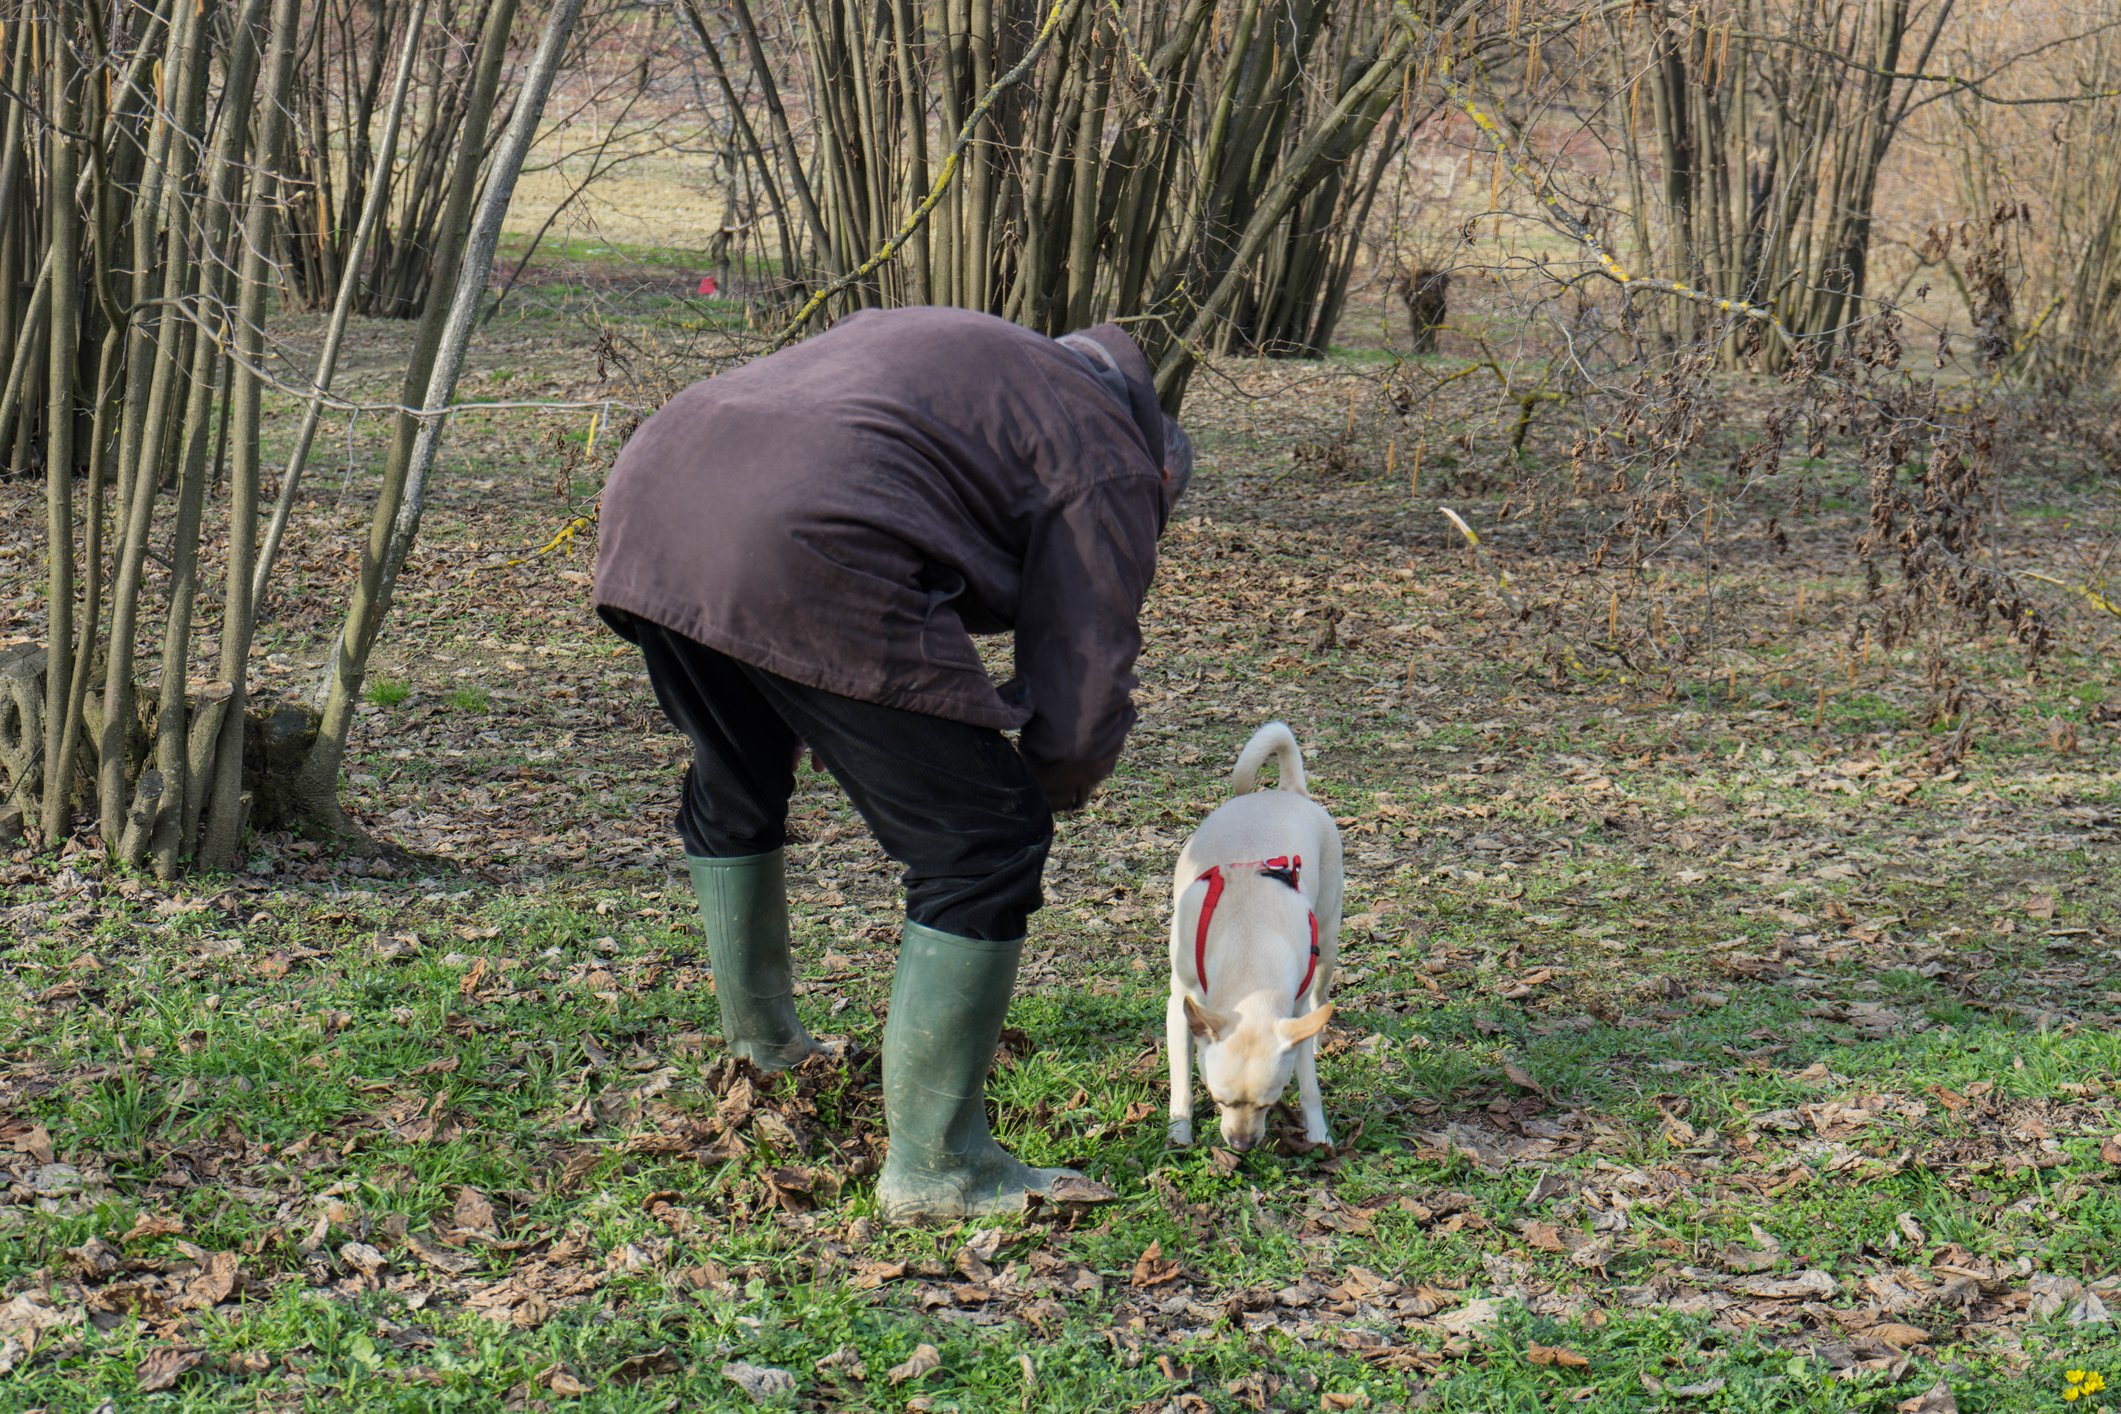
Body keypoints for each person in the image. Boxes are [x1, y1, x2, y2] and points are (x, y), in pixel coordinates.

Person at [592, 306, 1192, 1221]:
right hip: (805, 534)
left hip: (658, 496)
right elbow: (1080, 677)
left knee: (738, 770)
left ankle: (763, 1053)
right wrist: (1044, 791)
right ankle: (939, 1171)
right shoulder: (1110, 456)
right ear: (1159, 470)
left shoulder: (981, 358)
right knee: (985, 841)